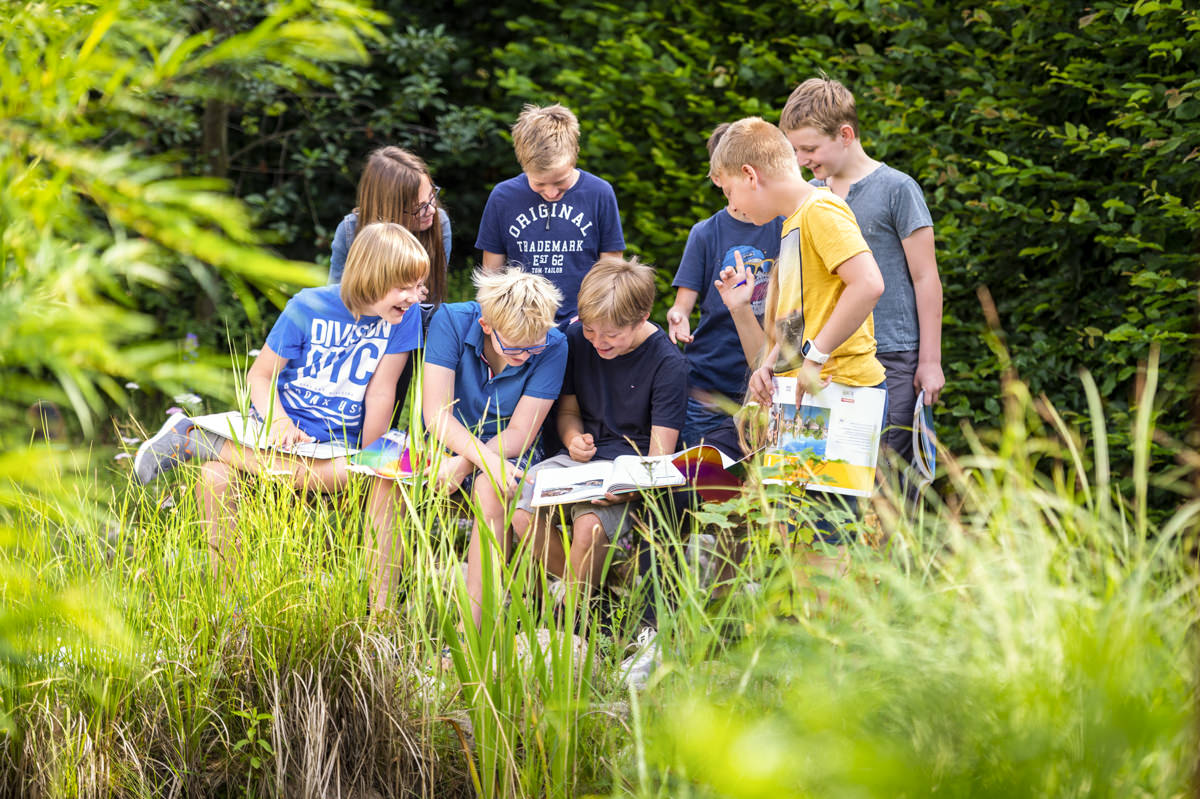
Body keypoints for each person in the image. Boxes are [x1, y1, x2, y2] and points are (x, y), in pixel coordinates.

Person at [134, 223, 428, 584]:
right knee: (213, 478)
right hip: (282, 435)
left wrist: (367, 459)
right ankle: (230, 609)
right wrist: (278, 423)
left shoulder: (405, 315)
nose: (415, 296)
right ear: (371, 278)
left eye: (418, 286)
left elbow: (381, 391)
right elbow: (260, 376)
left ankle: (202, 439)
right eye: (405, 287)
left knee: (388, 468)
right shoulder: (308, 306)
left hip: (340, 447)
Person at [709, 117, 885, 540]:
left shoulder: (819, 210)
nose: (733, 205)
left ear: (750, 175)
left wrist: (815, 357)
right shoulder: (792, 224)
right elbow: (799, 318)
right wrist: (769, 364)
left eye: (729, 191)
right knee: (796, 536)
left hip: (839, 391)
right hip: (804, 396)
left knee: (826, 539)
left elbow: (868, 283)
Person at [364, 267, 567, 621]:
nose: (527, 355)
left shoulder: (553, 344)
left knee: (493, 488)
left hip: (509, 450)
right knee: (386, 477)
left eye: (535, 345)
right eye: (515, 347)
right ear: (487, 325)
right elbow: (436, 415)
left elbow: (521, 432)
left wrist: (467, 462)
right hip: (441, 442)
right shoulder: (452, 321)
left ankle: (473, 626)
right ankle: (379, 616)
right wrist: (468, 457)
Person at [779, 77, 944, 481]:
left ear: (846, 134)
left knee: (888, 478)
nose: (801, 160)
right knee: (834, 482)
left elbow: (926, 278)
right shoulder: (809, 196)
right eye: (795, 150)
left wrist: (931, 361)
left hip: (892, 355)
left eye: (809, 149)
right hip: (828, 358)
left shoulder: (897, 189)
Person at [511, 256, 688, 603]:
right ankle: (598, 598)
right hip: (576, 465)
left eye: (611, 335)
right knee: (519, 511)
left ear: (642, 318)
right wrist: (572, 438)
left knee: (589, 528)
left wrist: (629, 491)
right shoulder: (577, 339)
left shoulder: (669, 365)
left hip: (627, 474)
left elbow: (659, 458)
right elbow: (569, 410)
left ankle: (572, 614)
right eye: (590, 330)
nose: (598, 342)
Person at [666, 123, 783, 459]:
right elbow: (681, 306)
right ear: (719, 177)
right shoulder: (705, 233)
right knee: (701, 479)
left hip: (765, 384)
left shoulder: (784, 225)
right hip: (709, 384)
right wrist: (678, 319)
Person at [475, 103, 625, 327]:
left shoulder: (599, 193)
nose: (551, 192)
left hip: (584, 323)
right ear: (525, 166)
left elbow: (611, 268)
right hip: (522, 324)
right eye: (539, 183)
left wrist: (598, 314)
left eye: (560, 181)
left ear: (574, 158)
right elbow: (491, 274)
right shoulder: (503, 197)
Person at [329, 146, 450, 303]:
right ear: (388, 209)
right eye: (419, 208)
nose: (432, 210)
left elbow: (433, 302)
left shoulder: (439, 223)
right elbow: (336, 297)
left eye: (432, 196)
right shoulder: (349, 231)